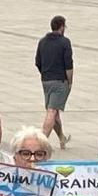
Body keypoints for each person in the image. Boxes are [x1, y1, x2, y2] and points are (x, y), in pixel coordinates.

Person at [34, 15, 72, 149]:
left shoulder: (43, 41)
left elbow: (37, 62)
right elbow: (68, 65)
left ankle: (62, 138)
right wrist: (70, 82)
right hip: (59, 81)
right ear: (61, 27)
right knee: (52, 111)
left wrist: (45, 73)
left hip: (46, 80)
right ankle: (41, 143)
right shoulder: (64, 42)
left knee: (54, 111)